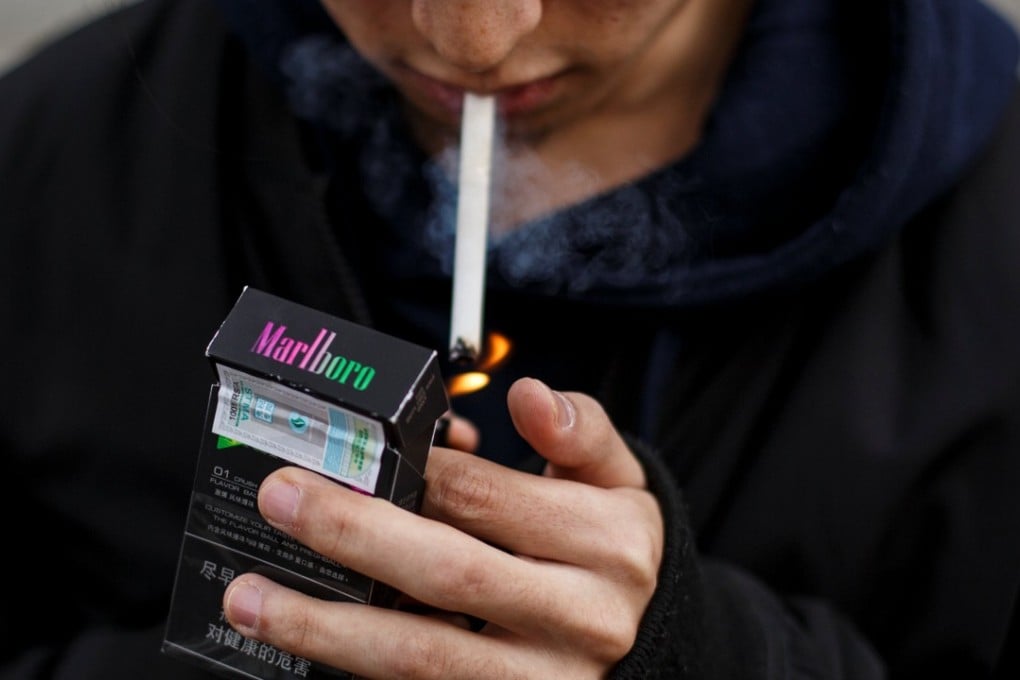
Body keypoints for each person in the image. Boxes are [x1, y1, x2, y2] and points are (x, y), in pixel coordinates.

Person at [1, 0, 1019, 677]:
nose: (473, 40)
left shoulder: (991, 244)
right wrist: (259, 640)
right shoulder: (56, 155)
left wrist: (704, 652)